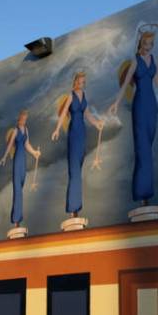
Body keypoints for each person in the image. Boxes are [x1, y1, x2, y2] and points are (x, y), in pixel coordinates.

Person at [108, 24, 158, 206]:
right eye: (146, 43)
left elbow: (157, 81)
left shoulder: (153, 60)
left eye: (151, 43)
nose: (148, 46)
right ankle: (143, 195)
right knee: (142, 150)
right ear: (141, 42)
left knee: (148, 147)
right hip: (140, 105)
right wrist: (116, 103)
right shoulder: (135, 61)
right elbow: (126, 84)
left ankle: (146, 195)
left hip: (151, 105)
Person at [52, 71, 103, 217]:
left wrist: (97, 123)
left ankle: (76, 208)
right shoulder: (70, 96)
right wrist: (56, 130)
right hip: (73, 132)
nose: (82, 84)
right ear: (75, 82)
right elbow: (63, 114)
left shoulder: (84, 96)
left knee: (78, 169)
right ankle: (73, 209)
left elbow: (87, 114)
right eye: (80, 82)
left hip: (82, 133)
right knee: (74, 171)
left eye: (84, 82)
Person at [0, 109, 41, 227]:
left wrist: (34, 153)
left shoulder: (26, 130)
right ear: (19, 118)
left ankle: (17, 218)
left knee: (21, 186)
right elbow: (9, 145)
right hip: (17, 159)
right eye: (23, 118)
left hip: (23, 160)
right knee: (17, 189)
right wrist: (4, 157)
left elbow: (27, 144)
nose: (24, 120)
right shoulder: (15, 131)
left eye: (25, 119)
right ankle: (16, 219)